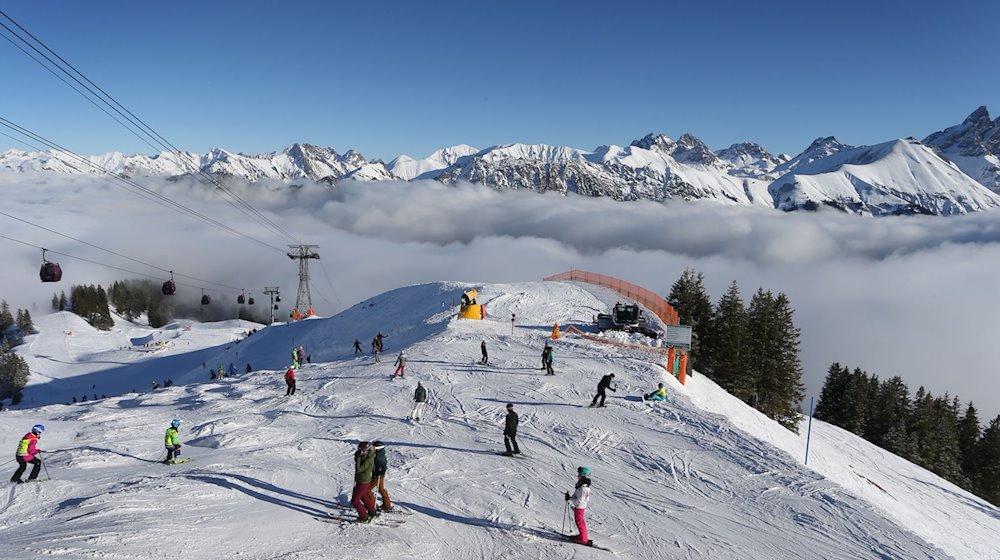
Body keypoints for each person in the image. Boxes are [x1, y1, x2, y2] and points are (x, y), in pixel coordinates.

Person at [565, 466, 593, 546]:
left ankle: (583, 539)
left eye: (579, 474)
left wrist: (570, 498)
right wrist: (570, 497)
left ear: (582, 475)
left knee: (579, 522)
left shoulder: (583, 488)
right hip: (580, 507)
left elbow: (579, 501)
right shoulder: (583, 485)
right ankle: (582, 536)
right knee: (580, 522)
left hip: (579, 507)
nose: (577, 475)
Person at [351, 441, 378, 522]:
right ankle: (372, 513)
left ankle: (364, 517)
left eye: (362, 451)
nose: (360, 452)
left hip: (363, 482)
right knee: (364, 497)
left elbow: (358, 469)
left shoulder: (368, 460)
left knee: (355, 501)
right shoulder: (368, 457)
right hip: (363, 481)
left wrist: (358, 458)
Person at [368, 441, 392, 513]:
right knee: (381, 489)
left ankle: (373, 505)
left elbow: (383, 466)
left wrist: (379, 472)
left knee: (367, 490)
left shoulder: (379, 457)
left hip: (377, 476)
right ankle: (387, 506)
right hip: (379, 475)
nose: (372, 448)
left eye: (374, 447)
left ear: (377, 448)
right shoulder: (380, 453)